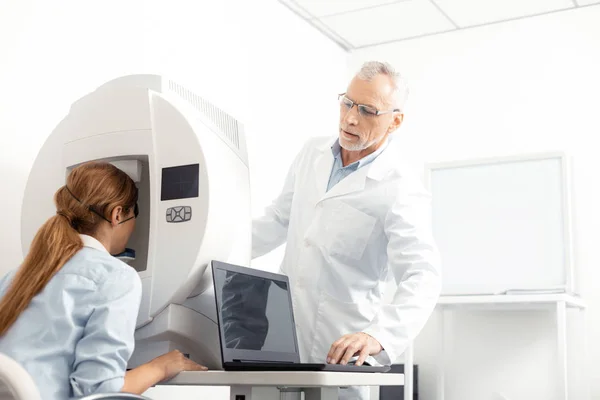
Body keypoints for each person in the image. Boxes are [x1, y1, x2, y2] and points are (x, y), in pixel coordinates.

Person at [252, 61, 442, 399]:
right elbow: (280, 217)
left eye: (368, 110)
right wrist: (213, 246)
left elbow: (422, 276)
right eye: (347, 103)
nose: (350, 118)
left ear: (395, 121)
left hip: (340, 348)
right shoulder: (312, 152)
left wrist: (379, 336)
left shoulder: (401, 189)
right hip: (280, 334)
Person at [0, 161, 206, 400]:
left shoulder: (14, 277)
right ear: (117, 214)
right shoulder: (116, 277)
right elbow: (98, 393)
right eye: (134, 214)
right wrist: (160, 367)